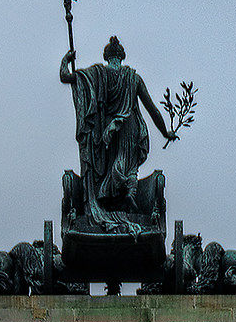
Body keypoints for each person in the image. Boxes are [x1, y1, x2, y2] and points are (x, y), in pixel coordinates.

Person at [61, 35, 177, 228]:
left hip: (107, 129)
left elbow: (65, 77)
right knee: (127, 165)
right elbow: (152, 109)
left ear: (106, 56)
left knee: (110, 168)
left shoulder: (96, 73)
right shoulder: (134, 78)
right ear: (122, 57)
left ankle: (110, 202)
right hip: (129, 127)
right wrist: (166, 132)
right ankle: (129, 194)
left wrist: (66, 60)